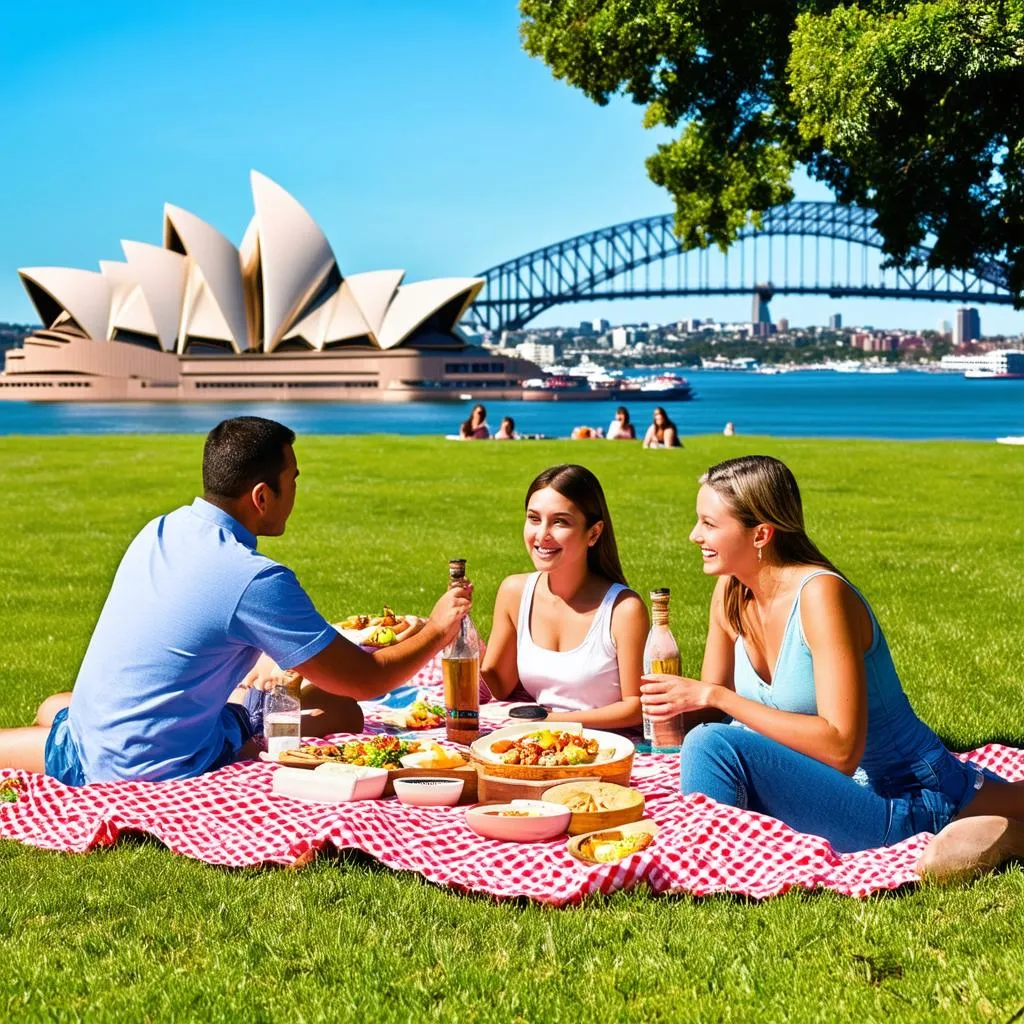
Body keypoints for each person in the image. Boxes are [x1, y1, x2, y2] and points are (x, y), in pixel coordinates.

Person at [0, 417, 471, 785]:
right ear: (262, 496)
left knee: (57, 705)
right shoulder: (254, 579)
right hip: (157, 761)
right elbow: (366, 681)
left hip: (85, 740)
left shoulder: (160, 529)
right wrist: (435, 630)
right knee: (341, 708)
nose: (297, 492)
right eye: (294, 479)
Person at [639, 454, 1024, 879]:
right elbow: (708, 712)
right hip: (825, 788)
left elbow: (842, 750)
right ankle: (710, 857)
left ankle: (704, 865)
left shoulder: (820, 596)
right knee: (709, 742)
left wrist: (715, 697)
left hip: (902, 794)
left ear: (762, 533)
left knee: (712, 745)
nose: (695, 535)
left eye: (709, 523)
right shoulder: (731, 592)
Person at [481, 464, 648, 728]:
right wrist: (451, 634)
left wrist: (550, 721)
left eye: (560, 522)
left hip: (608, 744)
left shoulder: (623, 610)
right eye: (534, 518)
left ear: (593, 533)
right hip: (538, 741)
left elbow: (636, 707)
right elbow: (499, 686)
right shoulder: (515, 592)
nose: (542, 535)